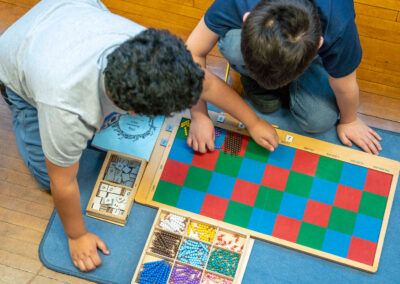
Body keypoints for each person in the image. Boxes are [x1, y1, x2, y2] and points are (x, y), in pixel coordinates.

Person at [0, 0, 205, 272]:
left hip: (69, 9)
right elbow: (62, 182)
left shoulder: (152, 52)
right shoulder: (67, 109)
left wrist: (236, 119)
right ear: (130, 109)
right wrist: (77, 235)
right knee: (46, 175)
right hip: (16, 61)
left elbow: (205, 82)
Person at [186, 0, 382, 155]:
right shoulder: (237, 2)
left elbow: (345, 87)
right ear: (247, 19)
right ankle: (256, 74)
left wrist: (349, 120)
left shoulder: (338, 26)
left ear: (318, 45)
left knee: (319, 120)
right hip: (295, 41)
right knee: (232, 46)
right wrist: (199, 114)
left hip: (310, 41)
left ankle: (289, 67)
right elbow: (192, 53)